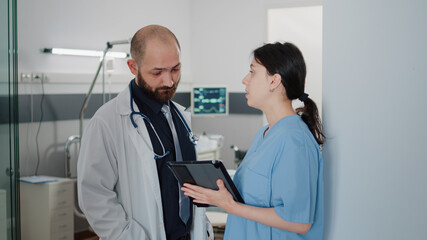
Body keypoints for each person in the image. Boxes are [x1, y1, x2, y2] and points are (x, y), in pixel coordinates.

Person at [77, 25, 213, 240]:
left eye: (175, 69)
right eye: (157, 72)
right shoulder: (107, 121)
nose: (169, 81)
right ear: (133, 66)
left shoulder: (178, 115)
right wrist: (127, 235)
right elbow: (94, 195)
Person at [182, 42, 324, 240]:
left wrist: (229, 205)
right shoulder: (265, 133)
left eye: (252, 72)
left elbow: (299, 222)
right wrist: (217, 193)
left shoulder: (295, 140)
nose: (244, 80)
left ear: (274, 81)